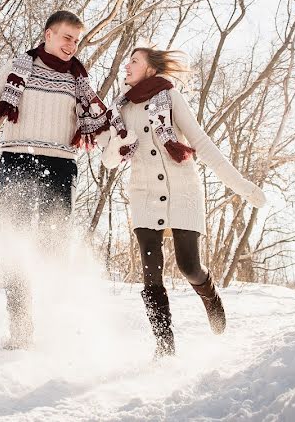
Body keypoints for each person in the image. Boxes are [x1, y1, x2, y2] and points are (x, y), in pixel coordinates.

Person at [0, 10, 109, 349]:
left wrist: (120, 147)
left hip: (60, 166)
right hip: (18, 162)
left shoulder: (79, 81)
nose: (72, 45)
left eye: (76, 39)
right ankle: (21, 331)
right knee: (17, 247)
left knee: (53, 248)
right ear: (48, 35)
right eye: (66, 37)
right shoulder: (19, 68)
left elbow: (97, 125)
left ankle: (56, 321)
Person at [101, 47, 266, 358]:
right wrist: (118, 146)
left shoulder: (170, 96)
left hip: (183, 190)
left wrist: (241, 186)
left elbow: (201, 142)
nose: (127, 65)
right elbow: (109, 160)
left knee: (188, 266)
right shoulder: (119, 109)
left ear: (150, 68)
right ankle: (164, 347)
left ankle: (211, 296)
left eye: (134, 60)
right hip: (144, 195)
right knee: (151, 272)